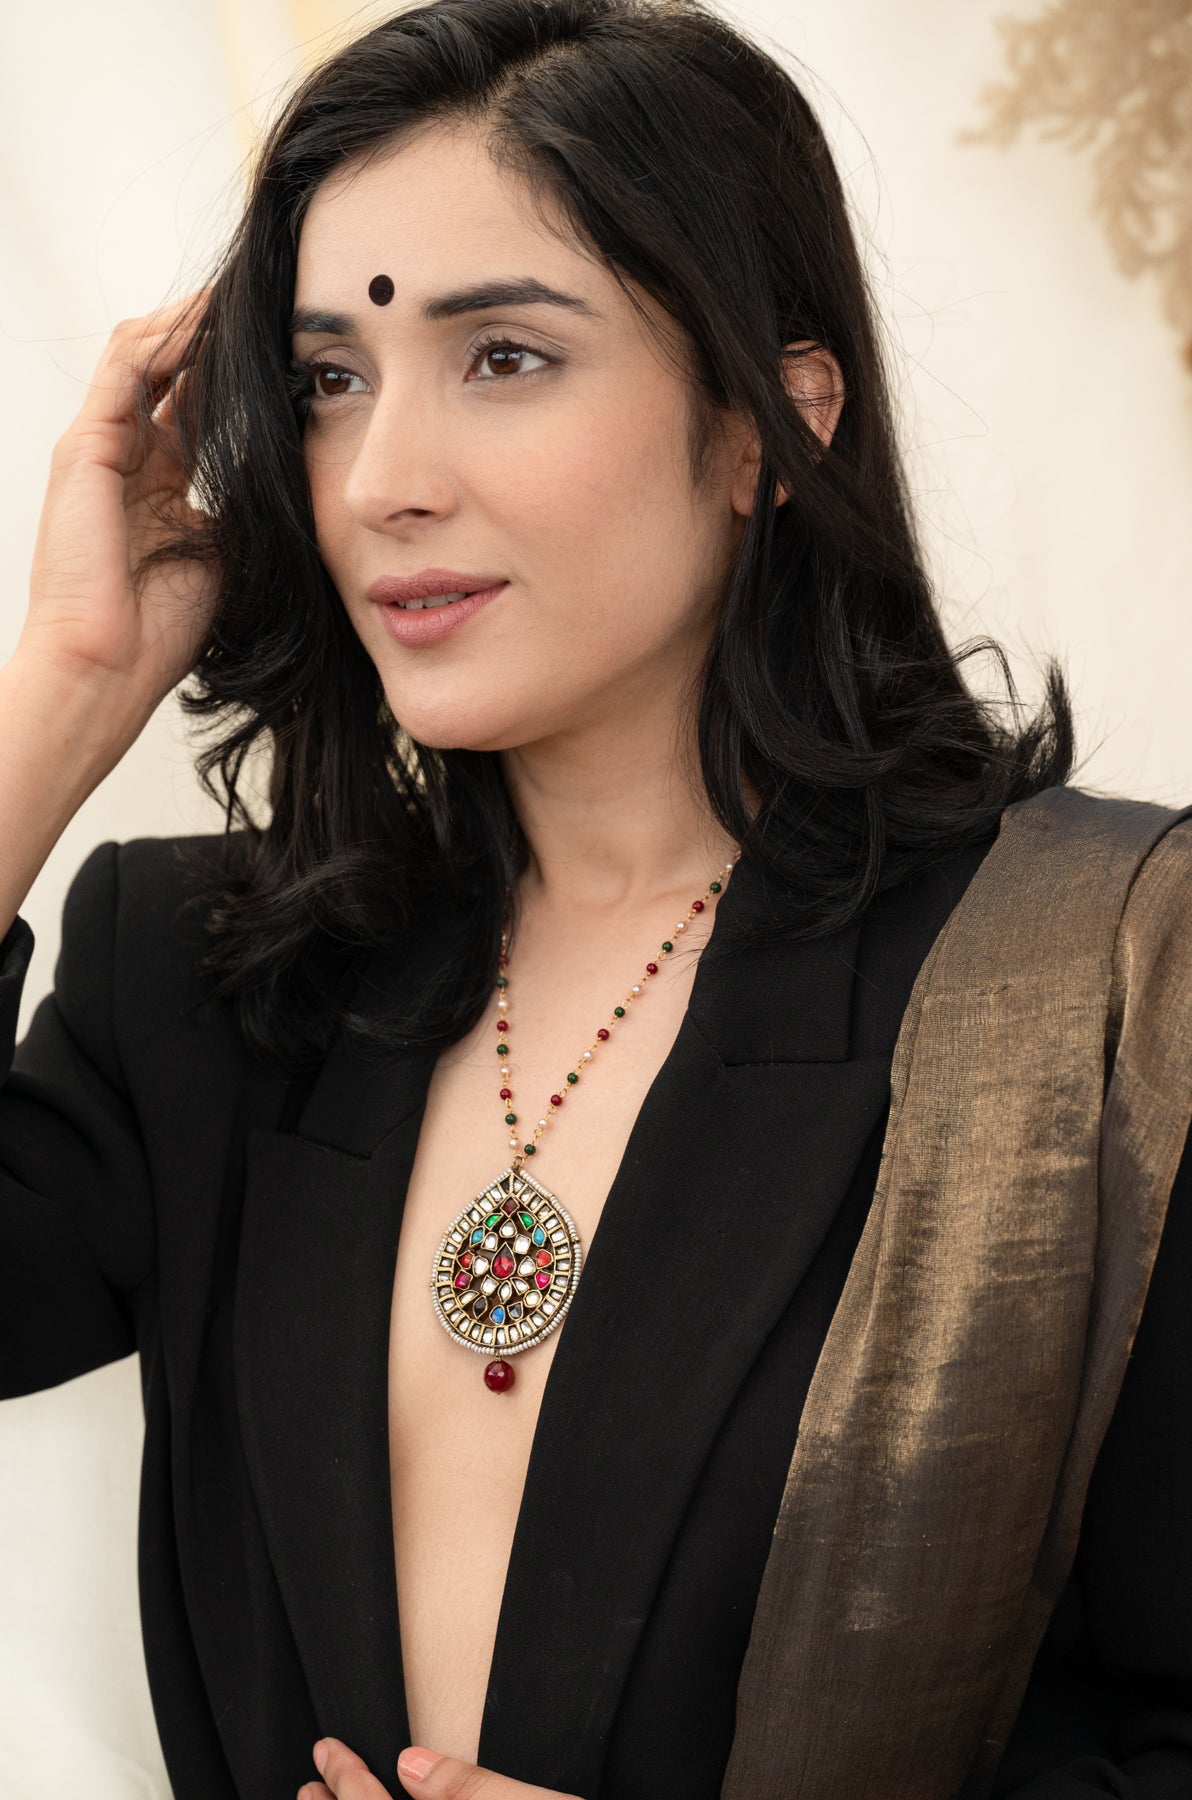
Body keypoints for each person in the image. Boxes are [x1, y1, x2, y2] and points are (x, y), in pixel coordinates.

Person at [1, 0, 1189, 1795]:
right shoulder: (209, 983)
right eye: (328, 381)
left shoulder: (1095, 991)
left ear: (768, 427)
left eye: (504, 357)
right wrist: (66, 685)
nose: (383, 483)